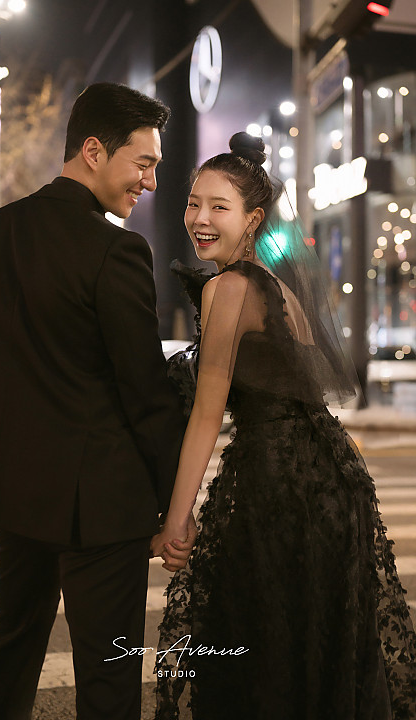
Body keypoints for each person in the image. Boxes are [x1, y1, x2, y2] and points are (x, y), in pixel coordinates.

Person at [0, 82, 196, 720]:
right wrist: (174, 503)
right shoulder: (116, 250)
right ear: (93, 151)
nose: (151, 182)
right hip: (102, 505)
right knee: (108, 675)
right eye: (144, 163)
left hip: (13, 491)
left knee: (14, 642)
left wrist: (5, 444)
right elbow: (145, 394)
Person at [151, 132, 416, 719]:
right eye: (193, 203)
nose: (199, 218)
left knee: (265, 655)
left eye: (218, 206)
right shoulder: (279, 287)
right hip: (331, 483)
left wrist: (176, 518)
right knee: (315, 648)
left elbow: (208, 412)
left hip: (279, 488)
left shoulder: (229, 288)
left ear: (253, 218)